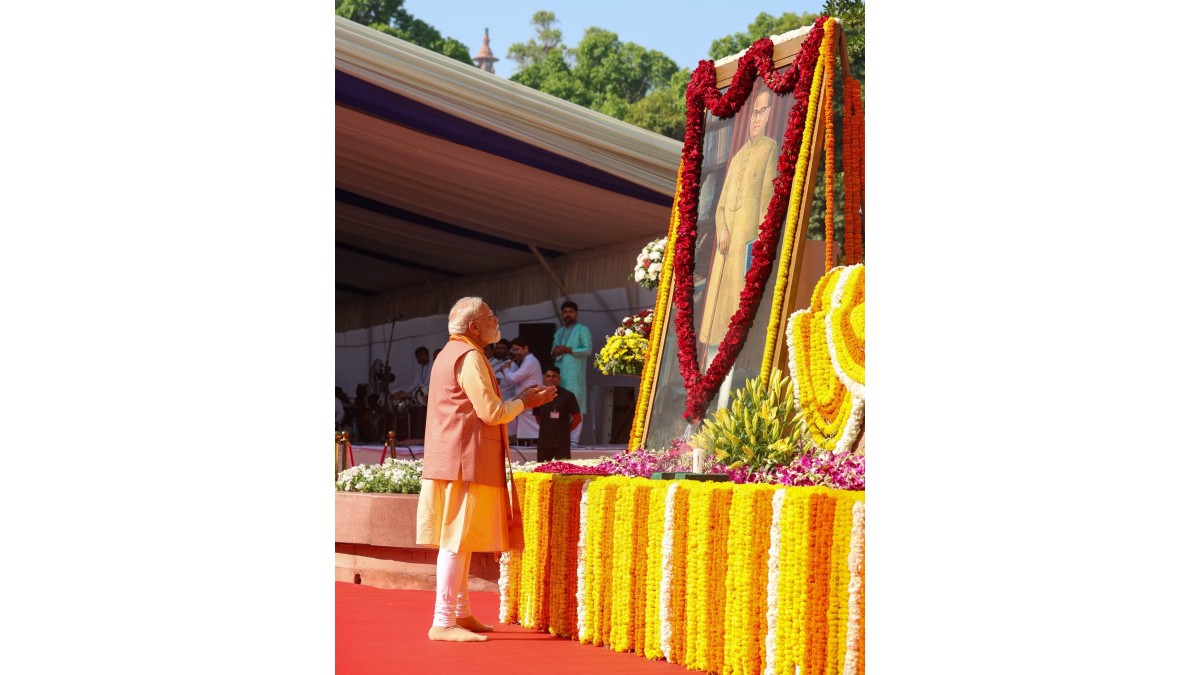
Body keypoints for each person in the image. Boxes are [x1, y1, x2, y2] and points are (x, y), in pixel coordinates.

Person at [416, 297, 556, 642]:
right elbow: (492, 413)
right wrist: (527, 402)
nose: (497, 322)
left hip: (456, 458)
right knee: (456, 540)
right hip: (464, 460)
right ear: (474, 327)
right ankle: (443, 620)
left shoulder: (451, 352)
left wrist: (521, 397)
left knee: (460, 540)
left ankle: (459, 613)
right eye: (491, 317)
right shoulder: (469, 356)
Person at [698, 87, 779, 354]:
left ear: (769, 116)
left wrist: (757, 247)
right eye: (753, 112)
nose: (756, 118)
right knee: (714, 327)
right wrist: (721, 227)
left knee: (736, 323)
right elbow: (720, 205)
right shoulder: (736, 157)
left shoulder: (769, 148)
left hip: (745, 248)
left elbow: (768, 203)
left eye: (761, 112)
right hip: (724, 249)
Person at [550, 300, 592, 446]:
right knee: (559, 406)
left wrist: (566, 350)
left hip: (575, 376)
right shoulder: (559, 332)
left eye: (571, 312)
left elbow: (588, 350)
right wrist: (556, 351)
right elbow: (553, 351)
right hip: (560, 376)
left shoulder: (582, 330)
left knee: (576, 406)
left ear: (576, 314)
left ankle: (574, 439)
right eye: (565, 312)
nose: (568, 314)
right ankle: (561, 438)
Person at [496, 336, 541, 446]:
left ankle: (512, 437)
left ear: (525, 348)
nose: (515, 353)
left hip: (530, 398)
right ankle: (513, 436)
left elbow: (513, 379)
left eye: (517, 350)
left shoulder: (530, 361)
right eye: (514, 350)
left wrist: (505, 368)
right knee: (506, 408)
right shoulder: (527, 360)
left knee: (505, 408)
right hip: (526, 397)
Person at [532, 366, 580, 462]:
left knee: (564, 472)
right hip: (544, 441)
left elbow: (577, 418)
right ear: (544, 378)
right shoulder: (538, 395)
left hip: (562, 442)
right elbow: (537, 417)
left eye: (554, 376)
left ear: (559, 379)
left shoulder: (568, 396)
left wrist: (565, 430)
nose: (550, 379)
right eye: (548, 376)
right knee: (542, 471)